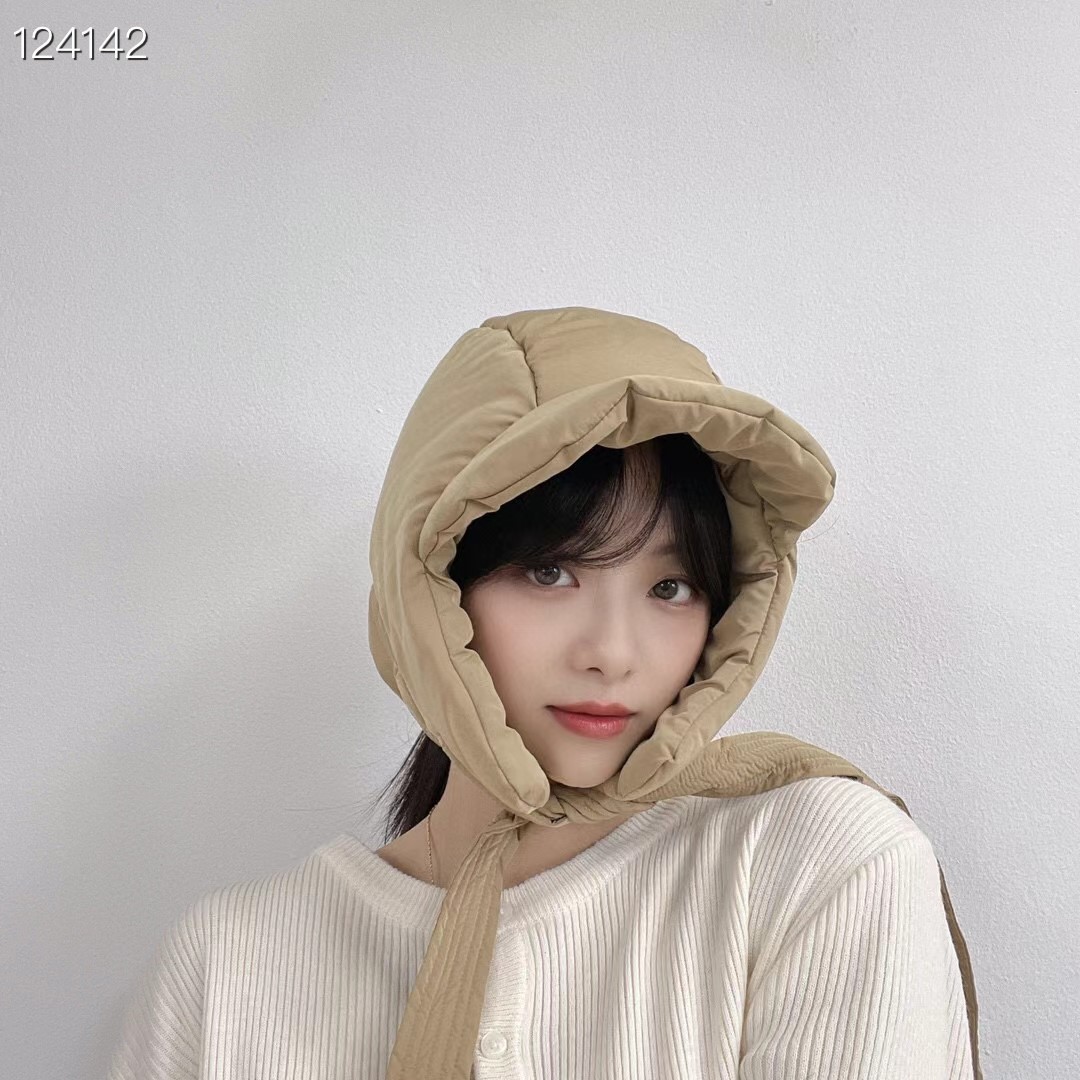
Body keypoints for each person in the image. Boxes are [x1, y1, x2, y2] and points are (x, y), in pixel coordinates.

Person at [107, 306, 981, 1080]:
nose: (613, 654)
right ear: (431, 594)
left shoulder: (819, 863)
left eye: (671, 586)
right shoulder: (227, 965)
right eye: (551, 572)